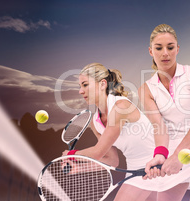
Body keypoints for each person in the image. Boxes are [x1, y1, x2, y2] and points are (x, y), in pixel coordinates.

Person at [138, 24, 190, 201]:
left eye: (170, 47)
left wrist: (179, 155)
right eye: (159, 48)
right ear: (151, 51)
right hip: (172, 156)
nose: (165, 53)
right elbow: (160, 128)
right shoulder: (145, 89)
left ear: (178, 49)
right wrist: (160, 155)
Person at [63, 63, 158, 201]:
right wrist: (79, 168)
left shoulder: (120, 107)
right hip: (136, 170)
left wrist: (71, 154)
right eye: (80, 86)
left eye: (85, 85)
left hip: (158, 163)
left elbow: (97, 151)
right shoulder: (95, 122)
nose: (80, 91)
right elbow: (112, 160)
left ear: (102, 84)